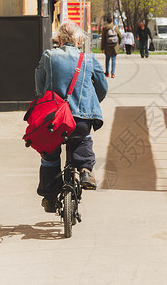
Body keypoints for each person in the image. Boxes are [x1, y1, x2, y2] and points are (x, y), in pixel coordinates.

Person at [35, 20, 108, 213]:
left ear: (58, 39)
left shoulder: (48, 56)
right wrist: (89, 104)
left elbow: (39, 88)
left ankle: (50, 198)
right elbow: (102, 88)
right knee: (83, 137)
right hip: (80, 120)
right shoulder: (89, 60)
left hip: (54, 120)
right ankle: (85, 171)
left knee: (49, 155)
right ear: (78, 39)